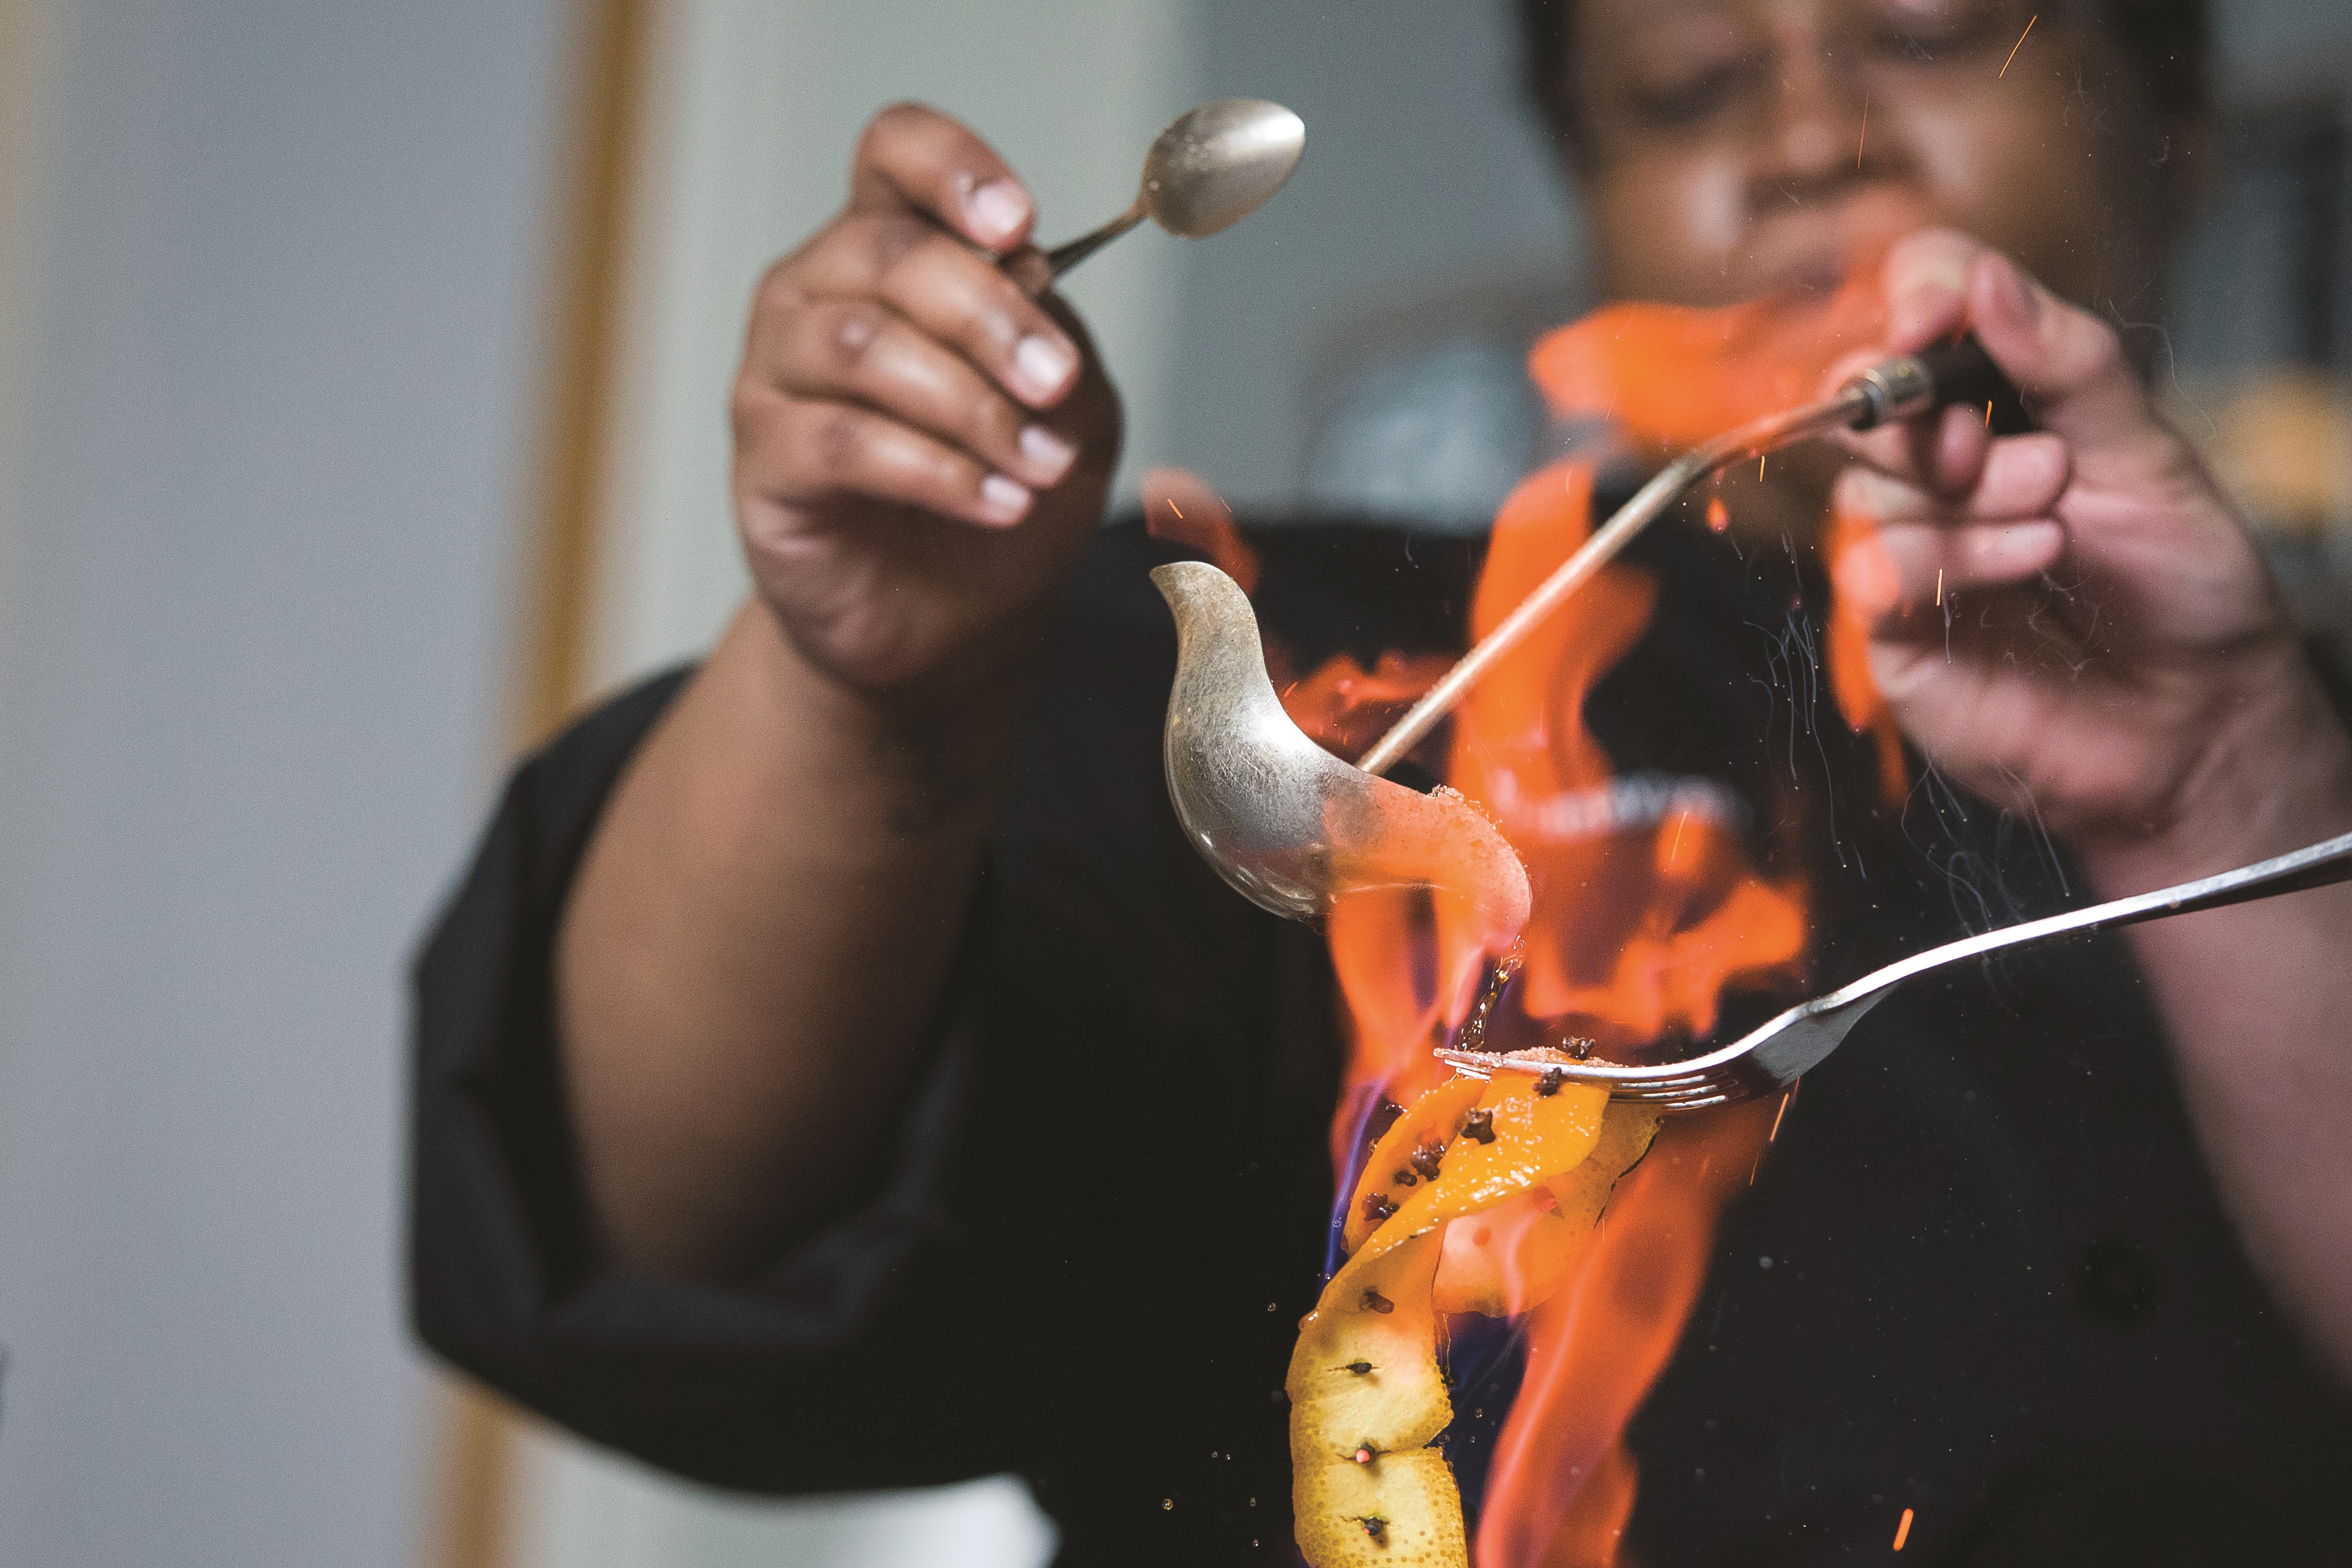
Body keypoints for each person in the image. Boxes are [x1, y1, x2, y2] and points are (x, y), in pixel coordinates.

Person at [410, 1, 2352, 1562]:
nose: (1805, 137)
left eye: (1926, 40)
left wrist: (2234, 785)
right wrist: (871, 695)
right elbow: (670, 1218)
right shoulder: (1323, 678)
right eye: (1688, 88)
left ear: (2162, 111)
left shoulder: (2295, 738)